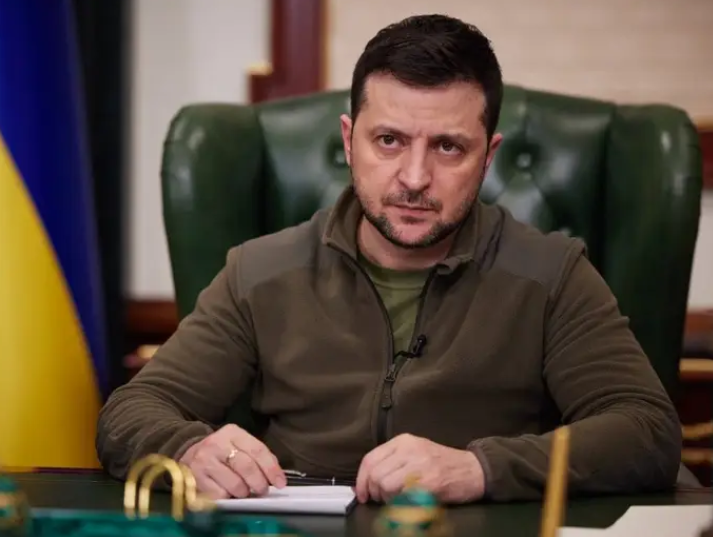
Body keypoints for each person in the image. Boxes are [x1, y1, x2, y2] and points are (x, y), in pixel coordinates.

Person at [96, 13, 681, 504]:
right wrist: (188, 449)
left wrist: (479, 469)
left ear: (488, 156)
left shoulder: (552, 273)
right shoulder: (260, 270)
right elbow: (131, 412)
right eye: (389, 141)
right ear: (349, 141)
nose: (415, 177)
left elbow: (648, 431)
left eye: (448, 147)